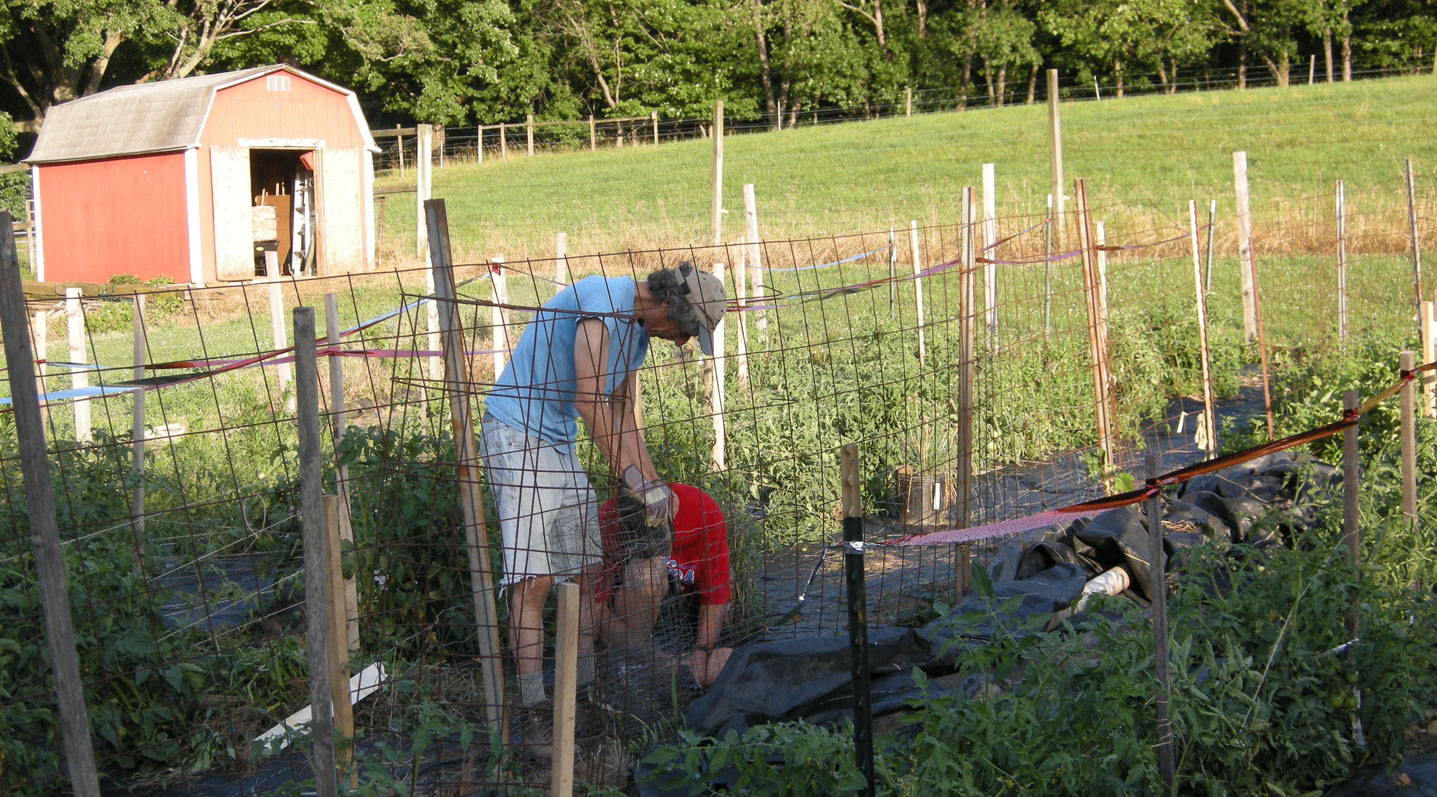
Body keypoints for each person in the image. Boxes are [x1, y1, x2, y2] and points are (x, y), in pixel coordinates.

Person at [480, 262, 725, 757]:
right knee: (535, 582)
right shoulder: (600, 303)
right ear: (666, 306)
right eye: (685, 331)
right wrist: (632, 479)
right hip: (516, 434)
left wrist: (654, 482)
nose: (681, 343)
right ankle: (534, 720)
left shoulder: (634, 336)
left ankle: (588, 699)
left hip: (556, 441)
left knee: (587, 572)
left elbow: (622, 418)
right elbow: (588, 399)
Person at [595, 484, 734, 688]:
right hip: (634, 620)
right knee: (648, 572)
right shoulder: (606, 520)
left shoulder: (704, 512)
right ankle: (633, 666)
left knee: (726, 662)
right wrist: (646, 652)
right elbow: (593, 608)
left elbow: (715, 597)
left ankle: (676, 672)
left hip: (686, 616)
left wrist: (701, 652)